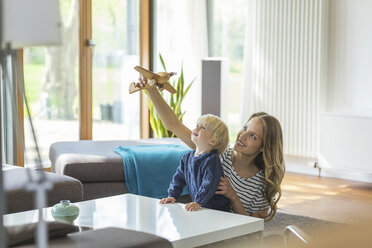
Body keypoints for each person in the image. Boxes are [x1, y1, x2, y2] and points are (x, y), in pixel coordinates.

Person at [135, 76, 285, 221]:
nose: (242, 135)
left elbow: (254, 227)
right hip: (203, 223)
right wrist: (151, 89)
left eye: (252, 136)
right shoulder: (217, 153)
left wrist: (233, 196)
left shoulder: (262, 183)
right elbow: (174, 125)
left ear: (263, 148)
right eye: (245, 128)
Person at [160, 114, 230, 212]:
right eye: (197, 125)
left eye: (203, 128)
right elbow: (178, 179)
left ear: (213, 140)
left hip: (216, 209)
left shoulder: (212, 161)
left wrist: (198, 201)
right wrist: (172, 196)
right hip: (201, 206)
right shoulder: (187, 158)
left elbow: (208, 184)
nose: (196, 128)